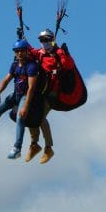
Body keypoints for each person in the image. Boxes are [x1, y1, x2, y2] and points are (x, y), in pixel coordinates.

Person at [25, 28, 73, 163]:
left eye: (46, 40)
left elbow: (67, 65)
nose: (43, 42)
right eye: (41, 40)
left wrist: (63, 53)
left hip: (52, 92)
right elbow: (29, 50)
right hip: (40, 91)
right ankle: (34, 145)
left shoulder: (58, 52)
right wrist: (22, 38)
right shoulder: (40, 53)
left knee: (39, 118)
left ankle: (48, 148)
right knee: (29, 114)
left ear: (51, 40)